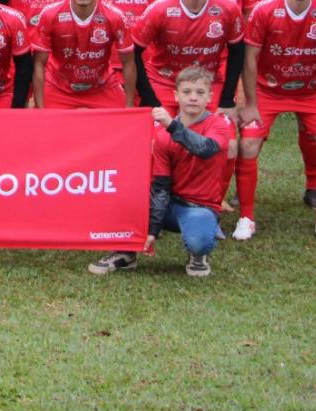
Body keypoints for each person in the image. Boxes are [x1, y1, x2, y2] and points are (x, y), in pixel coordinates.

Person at [235, 0, 316, 241]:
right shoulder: (263, 10)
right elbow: (250, 58)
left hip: (311, 92)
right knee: (247, 144)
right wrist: (250, 103)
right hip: (267, 90)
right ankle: (246, 217)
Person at [90, 67, 235, 277]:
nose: (193, 97)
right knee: (121, 198)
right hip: (169, 204)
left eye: (200, 92)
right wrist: (152, 231)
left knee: (198, 242)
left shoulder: (219, 125)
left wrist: (172, 126)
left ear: (210, 97)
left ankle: (198, 255)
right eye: (187, 92)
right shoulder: (163, 135)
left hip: (201, 207)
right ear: (176, 95)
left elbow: (205, 149)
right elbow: (160, 185)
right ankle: (125, 253)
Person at [129, 0, 245, 115]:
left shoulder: (228, 9)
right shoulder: (159, 9)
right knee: (158, 139)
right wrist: (149, 97)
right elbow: (133, 52)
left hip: (207, 84)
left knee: (226, 141)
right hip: (164, 82)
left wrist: (227, 99)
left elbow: (238, 51)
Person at [33, 0, 135, 109]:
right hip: (59, 88)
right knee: (42, 126)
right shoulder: (50, 15)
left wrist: (129, 107)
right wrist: (40, 107)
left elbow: (128, 63)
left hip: (101, 87)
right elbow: (38, 63)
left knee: (124, 126)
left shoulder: (115, 16)